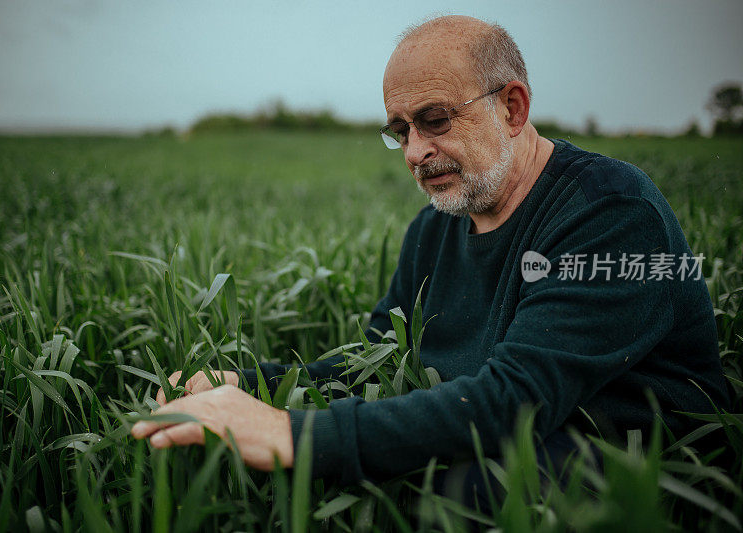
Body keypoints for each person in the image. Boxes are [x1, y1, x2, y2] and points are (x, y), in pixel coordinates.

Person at [132, 15, 730, 505]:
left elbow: (516, 398)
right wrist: (250, 384)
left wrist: (290, 433)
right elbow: (377, 359)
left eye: (435, 120)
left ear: (513, 107)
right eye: (400, 130)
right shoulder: (434, 228)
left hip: (646, 459)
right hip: (516, 426)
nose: (416, 151)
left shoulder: (610, 212)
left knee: (458, 490)